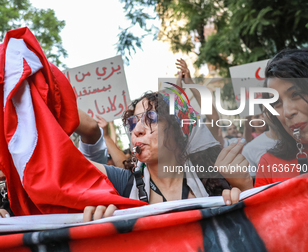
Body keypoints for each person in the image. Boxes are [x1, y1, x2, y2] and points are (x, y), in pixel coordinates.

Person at [84, 91, 253, 221]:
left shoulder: (214, 181)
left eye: (151, 118)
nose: (137, 130)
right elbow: (66, 162)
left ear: (178, 130)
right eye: (133, 122)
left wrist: (245, 190)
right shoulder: (123, 183)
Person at [255, 48, 308, 187]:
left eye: (296, 94)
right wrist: (244, 191)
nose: (287, 112)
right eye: (277, 103)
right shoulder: (269, 165)